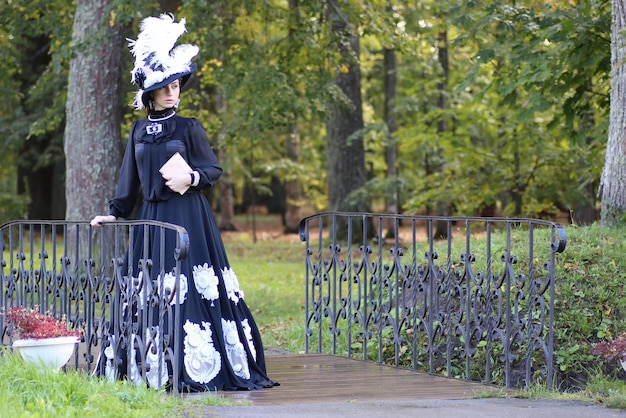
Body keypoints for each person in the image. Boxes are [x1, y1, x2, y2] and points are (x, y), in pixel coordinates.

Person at [91, 13, 277, 392]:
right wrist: (114, 214)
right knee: (151, 288)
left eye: (176, 85)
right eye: (165, 87)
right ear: (151, 94)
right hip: (152, 220)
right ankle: (153, 364)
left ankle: (200, 364)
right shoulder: (139, 131)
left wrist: (190, 177)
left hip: (189, 216)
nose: (173, 92)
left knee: (191, 285)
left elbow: (212, 169)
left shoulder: (189, 126)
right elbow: (130, 181)